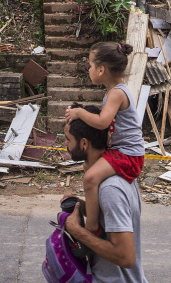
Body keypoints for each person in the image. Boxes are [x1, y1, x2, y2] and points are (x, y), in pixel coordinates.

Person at [63, 42, 145, 234]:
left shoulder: (116, 93)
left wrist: (79, 113)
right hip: (122, 151)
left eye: (90, 66)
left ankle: (92, 226)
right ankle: (97, 209)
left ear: (101, 69)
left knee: (90, 178)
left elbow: (102, 122)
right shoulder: (113, 92)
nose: (88, 70)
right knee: (87, 167)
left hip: (128, 155)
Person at [63, 106, 149, 283]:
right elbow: (110, 216)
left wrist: (77, 231)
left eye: (68, 139)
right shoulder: (113, 175)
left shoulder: (110, 189)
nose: (65, 145)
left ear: (84, 143)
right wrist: (80, 206)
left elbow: (126, 257)